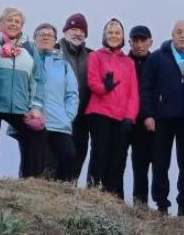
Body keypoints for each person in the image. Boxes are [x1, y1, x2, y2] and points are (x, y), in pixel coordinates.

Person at [140, 20, 184, 215]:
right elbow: (146, 88)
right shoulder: (158, 57)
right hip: (162, 118)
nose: (182, 35)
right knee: (160, 163)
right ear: (172, 35)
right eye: (179, 32)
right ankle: (161, 205)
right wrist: (148, 114)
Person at [0, 7, 46, 179]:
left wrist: (35, 107)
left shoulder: (30, 47)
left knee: (37, 136)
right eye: (10, 20)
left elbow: (38, 79)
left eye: (17, 21)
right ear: (0, 23)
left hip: (20, 106)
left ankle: (31, 180)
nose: (14, 24)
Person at [86, 19, 139, 198]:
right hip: (99, 112)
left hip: (122, 117)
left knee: (118, 158)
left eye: (117, 33)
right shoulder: (95, 56)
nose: (114, 36)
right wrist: (104, 87)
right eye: (110, 32)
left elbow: (133, 93)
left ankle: (114, 196)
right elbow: (92, 82)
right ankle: (93, 193)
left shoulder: (128, 62)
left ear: (123, 37)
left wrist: (130, 117)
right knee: (100, 153)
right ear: (104, 36)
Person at [31, 23, 79, 181]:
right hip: (34, 121)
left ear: (55, 40)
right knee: (36, 163)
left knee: (69, 156)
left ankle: (63, 193)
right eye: (41, 34)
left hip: (59, 121)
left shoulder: (63, 65)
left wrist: (67, 115)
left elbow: (72, 93)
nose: (45, 37)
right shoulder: (27, 60)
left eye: (49, 35)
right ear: (34, 38)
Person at [57, 13, 94, 181]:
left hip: (83, 115)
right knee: (61, 153)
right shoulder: (55, 50)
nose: (77, 33)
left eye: (81, 30)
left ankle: (70, 186)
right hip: (60, 113)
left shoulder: (92, 55)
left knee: (80, 151)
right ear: (65, 32)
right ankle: (54, 185)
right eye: (73, 29)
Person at [127, 25, 155, 207]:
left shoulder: (157, 62)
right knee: (136, 165)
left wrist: (151, 115)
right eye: (135, 40)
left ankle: (157, 205)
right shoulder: (123, 61)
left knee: (156, 164)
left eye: (142, 40)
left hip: (151, 121)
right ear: (129, 42)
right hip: (127, 120)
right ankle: (138, 204)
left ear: (150, 42)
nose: (139, 44)